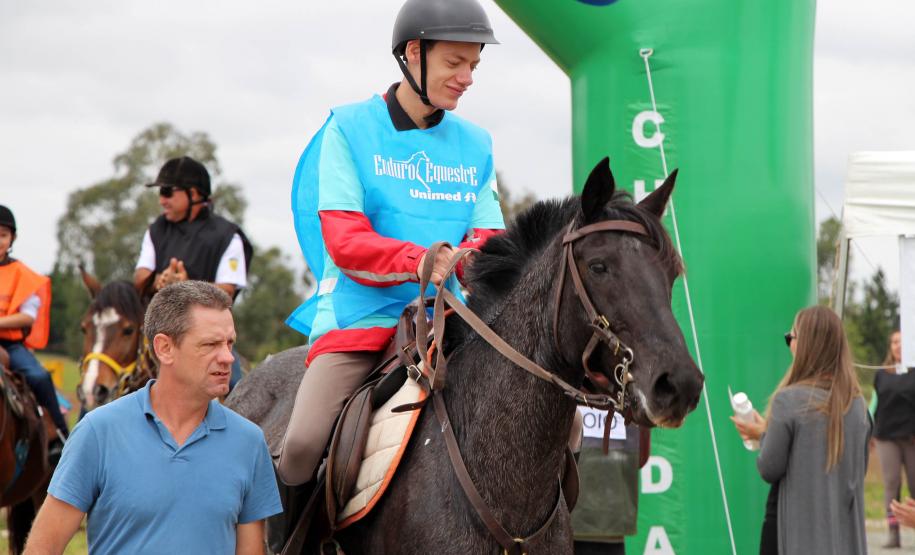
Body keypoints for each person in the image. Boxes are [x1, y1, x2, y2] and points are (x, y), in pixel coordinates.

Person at [278, 0, 506, 486]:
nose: (467, 77)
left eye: (474, 65)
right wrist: (422, 260)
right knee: (300, 445)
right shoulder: (349, 128)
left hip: (450, 320)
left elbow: (491, 238)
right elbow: (344, 238)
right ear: (413, 54)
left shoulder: (478, 143)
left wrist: (465, 258)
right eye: (455, 62)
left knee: (559, 420)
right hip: (364, 318)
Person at [24, 281, 282, 555]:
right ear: (165, 348)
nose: (228, 357)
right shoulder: (98, 432)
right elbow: (43, 549)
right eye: (210, 344)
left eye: (229, 343)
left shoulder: (250, 442)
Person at [731, 305, 871, 555]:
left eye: (791, 337)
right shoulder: (859, 406)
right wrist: (767, 430)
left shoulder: (789, 400)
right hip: (844, 540)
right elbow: (848, 466)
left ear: (805, 344)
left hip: (796, 537)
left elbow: (769, 467)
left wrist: (764, 436)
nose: (789, 344)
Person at [134, 155, 253, 388]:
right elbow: (139, 278)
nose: (161, 200)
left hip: (205, 334)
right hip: (150, 332)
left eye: (167, 192)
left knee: (238, 389)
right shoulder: (156, 230)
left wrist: (187, 287)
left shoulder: (228, 236)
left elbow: (226, 293)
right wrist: (160, 280)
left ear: (194, 194)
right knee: (99, 382)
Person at [0, 205, 69, 449]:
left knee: (39, 377)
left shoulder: (24, 275)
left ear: (12, 239)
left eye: (3, 235)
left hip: (10, 344)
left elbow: (28, 317)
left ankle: (59, 436)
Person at [572, 408, 651, 555]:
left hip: (570, 522)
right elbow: (641, 458)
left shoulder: (565, 390)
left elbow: (640, 458)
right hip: (607, 522)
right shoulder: (632, 399)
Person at [870, 329, 915, 548]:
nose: (898, 345)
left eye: (902, 342)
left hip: (911, 436)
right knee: (891, 483)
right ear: (890, 346)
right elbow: (874, 404)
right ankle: (893, 533)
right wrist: (868, 430)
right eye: (894, 342)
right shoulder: (881, 374)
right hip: (886, 436)